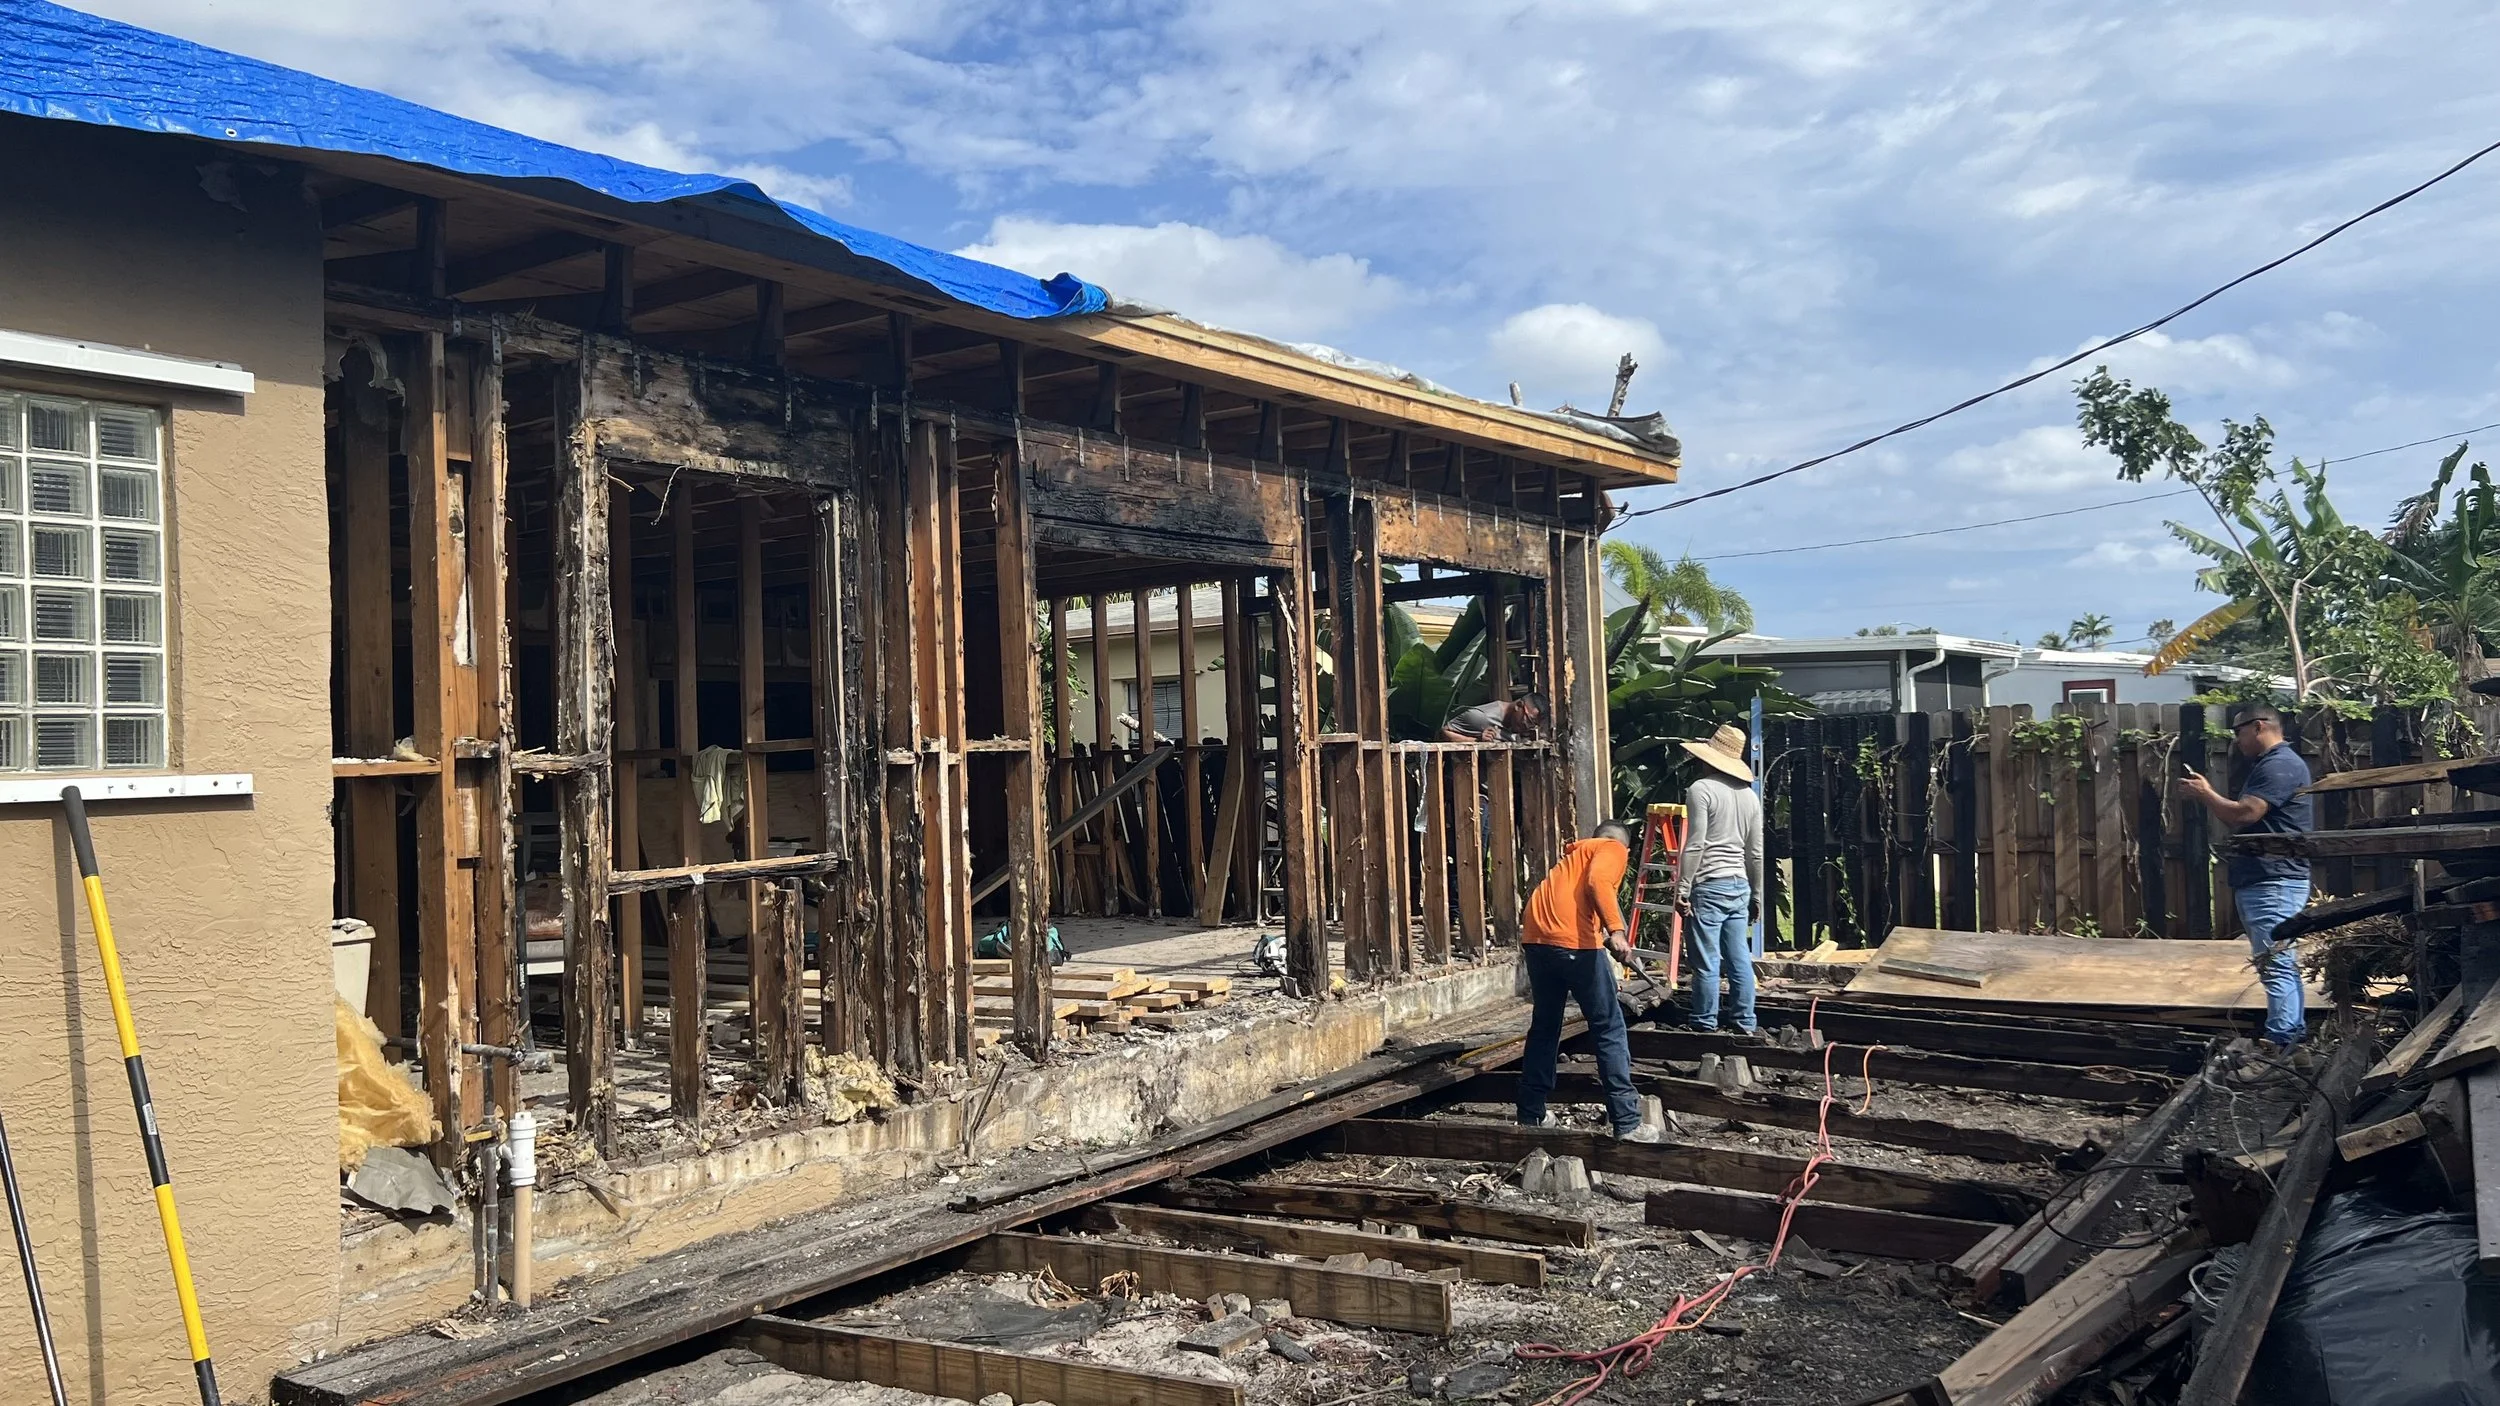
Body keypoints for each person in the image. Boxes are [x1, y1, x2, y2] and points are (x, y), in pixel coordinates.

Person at [2178, 703, 2314, 1048]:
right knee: (2281, 961)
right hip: (2272, 876)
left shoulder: (2280, 765)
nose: (2236, 740)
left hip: (2275, 878)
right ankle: (2291, 1040)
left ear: (2258, 727)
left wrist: (2205, 794)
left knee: (2275, 963)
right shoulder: (2275, 764)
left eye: (2238, 732)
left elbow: (2246, 814)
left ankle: (2280, 1043)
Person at [1515, 819, 1658, 1141]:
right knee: (1608, 1026)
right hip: (1573, 946)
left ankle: (1531, 1113)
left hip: (1537, 942)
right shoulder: (1612, 848)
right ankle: (1627, 1121)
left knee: (1545, 1026)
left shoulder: (1571, 859)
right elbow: (1597, 883)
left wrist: (1598, 930)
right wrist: (1617, 931)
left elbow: (1577, 898)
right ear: (1626, 847)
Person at [1675, 723, 1764, 1034]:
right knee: (1739, 958)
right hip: (1739, 885)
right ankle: (1745, 1022)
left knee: (1707, 962)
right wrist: (1757, 894)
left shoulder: (1701, 790)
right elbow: (1755, 852)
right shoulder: (1749, 798)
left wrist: (1683, 888)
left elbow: (1696, 843)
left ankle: (1703, 1022)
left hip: (1710, 885)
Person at [1443, 692, 1547, 744]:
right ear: (1518, 705)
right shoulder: (1481, 717)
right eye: (1528, 720)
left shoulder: (1516, 728)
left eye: (1533, 725)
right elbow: (1442, 732)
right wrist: (1477, 741)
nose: (1527, 727)